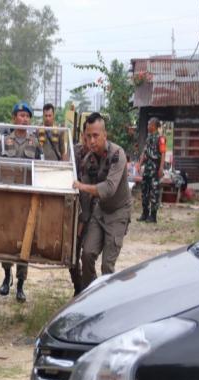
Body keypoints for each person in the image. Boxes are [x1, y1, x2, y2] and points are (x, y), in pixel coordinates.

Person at [73, 112, 131, 289]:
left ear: (105, 135)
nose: (91, 141)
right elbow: (86, 197)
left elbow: (109, 188)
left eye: (96, 136)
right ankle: (90, 294)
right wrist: (83, 220)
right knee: (87, 254)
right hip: (100, 212)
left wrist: (82, 186)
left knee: (107, 266)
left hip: (118, 212)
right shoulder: (88, 160)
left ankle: (107, 300)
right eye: (88, 136)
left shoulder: (117, 154)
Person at [0, 101, 41, 302]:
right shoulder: (5, 141)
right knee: (6, 238)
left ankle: (21, 284)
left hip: (28, 198)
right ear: (14, 118)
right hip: (9, 196)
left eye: (26, 116)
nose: (23, 119)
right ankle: (7, 276)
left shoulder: (35, 142)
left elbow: (40, 167)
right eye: (20, 115)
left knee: (26, 240)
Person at [69, 121, 91, 296]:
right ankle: (78, 290)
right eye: (87, 135)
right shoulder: (74, 151)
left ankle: (88, 291)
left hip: (93, 212)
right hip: (76, 211)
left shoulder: (99, 153)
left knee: (88, 254)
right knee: (73, 255)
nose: (89, 139)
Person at [137, 117, 166, 223]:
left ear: (154, 126)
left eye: (149, 124)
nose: (148, 126)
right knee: (144, 191)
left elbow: (163, 154)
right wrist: (139, 164)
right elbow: (144, 152)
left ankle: (153, 216)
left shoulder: (161, 138)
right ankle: (145, 214)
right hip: (147, 169)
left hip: (155, 169)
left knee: (154, 192)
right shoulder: (148, 137)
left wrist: (161, 168)